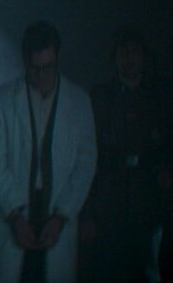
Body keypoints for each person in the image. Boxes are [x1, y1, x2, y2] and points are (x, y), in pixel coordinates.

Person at [0, 21, 96, 283]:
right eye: (35, 68)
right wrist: (14, 215)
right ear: (25, 60)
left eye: (48, 67)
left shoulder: (79, 102)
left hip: (57, 208)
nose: (42, 75)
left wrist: (62, 215)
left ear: (58, 58)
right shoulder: (2, 100)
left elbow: (85, 162)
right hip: (14, 207)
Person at [79, 27, 173, 283]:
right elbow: (87, 155)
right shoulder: (101, 98)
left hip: (149, 201)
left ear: (144, 56)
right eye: (123, 51)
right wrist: (87, 212)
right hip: (110, 201)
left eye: (134, 51)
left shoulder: (161, 97)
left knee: (149, 269)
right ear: (115, 57)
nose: (129, 57)